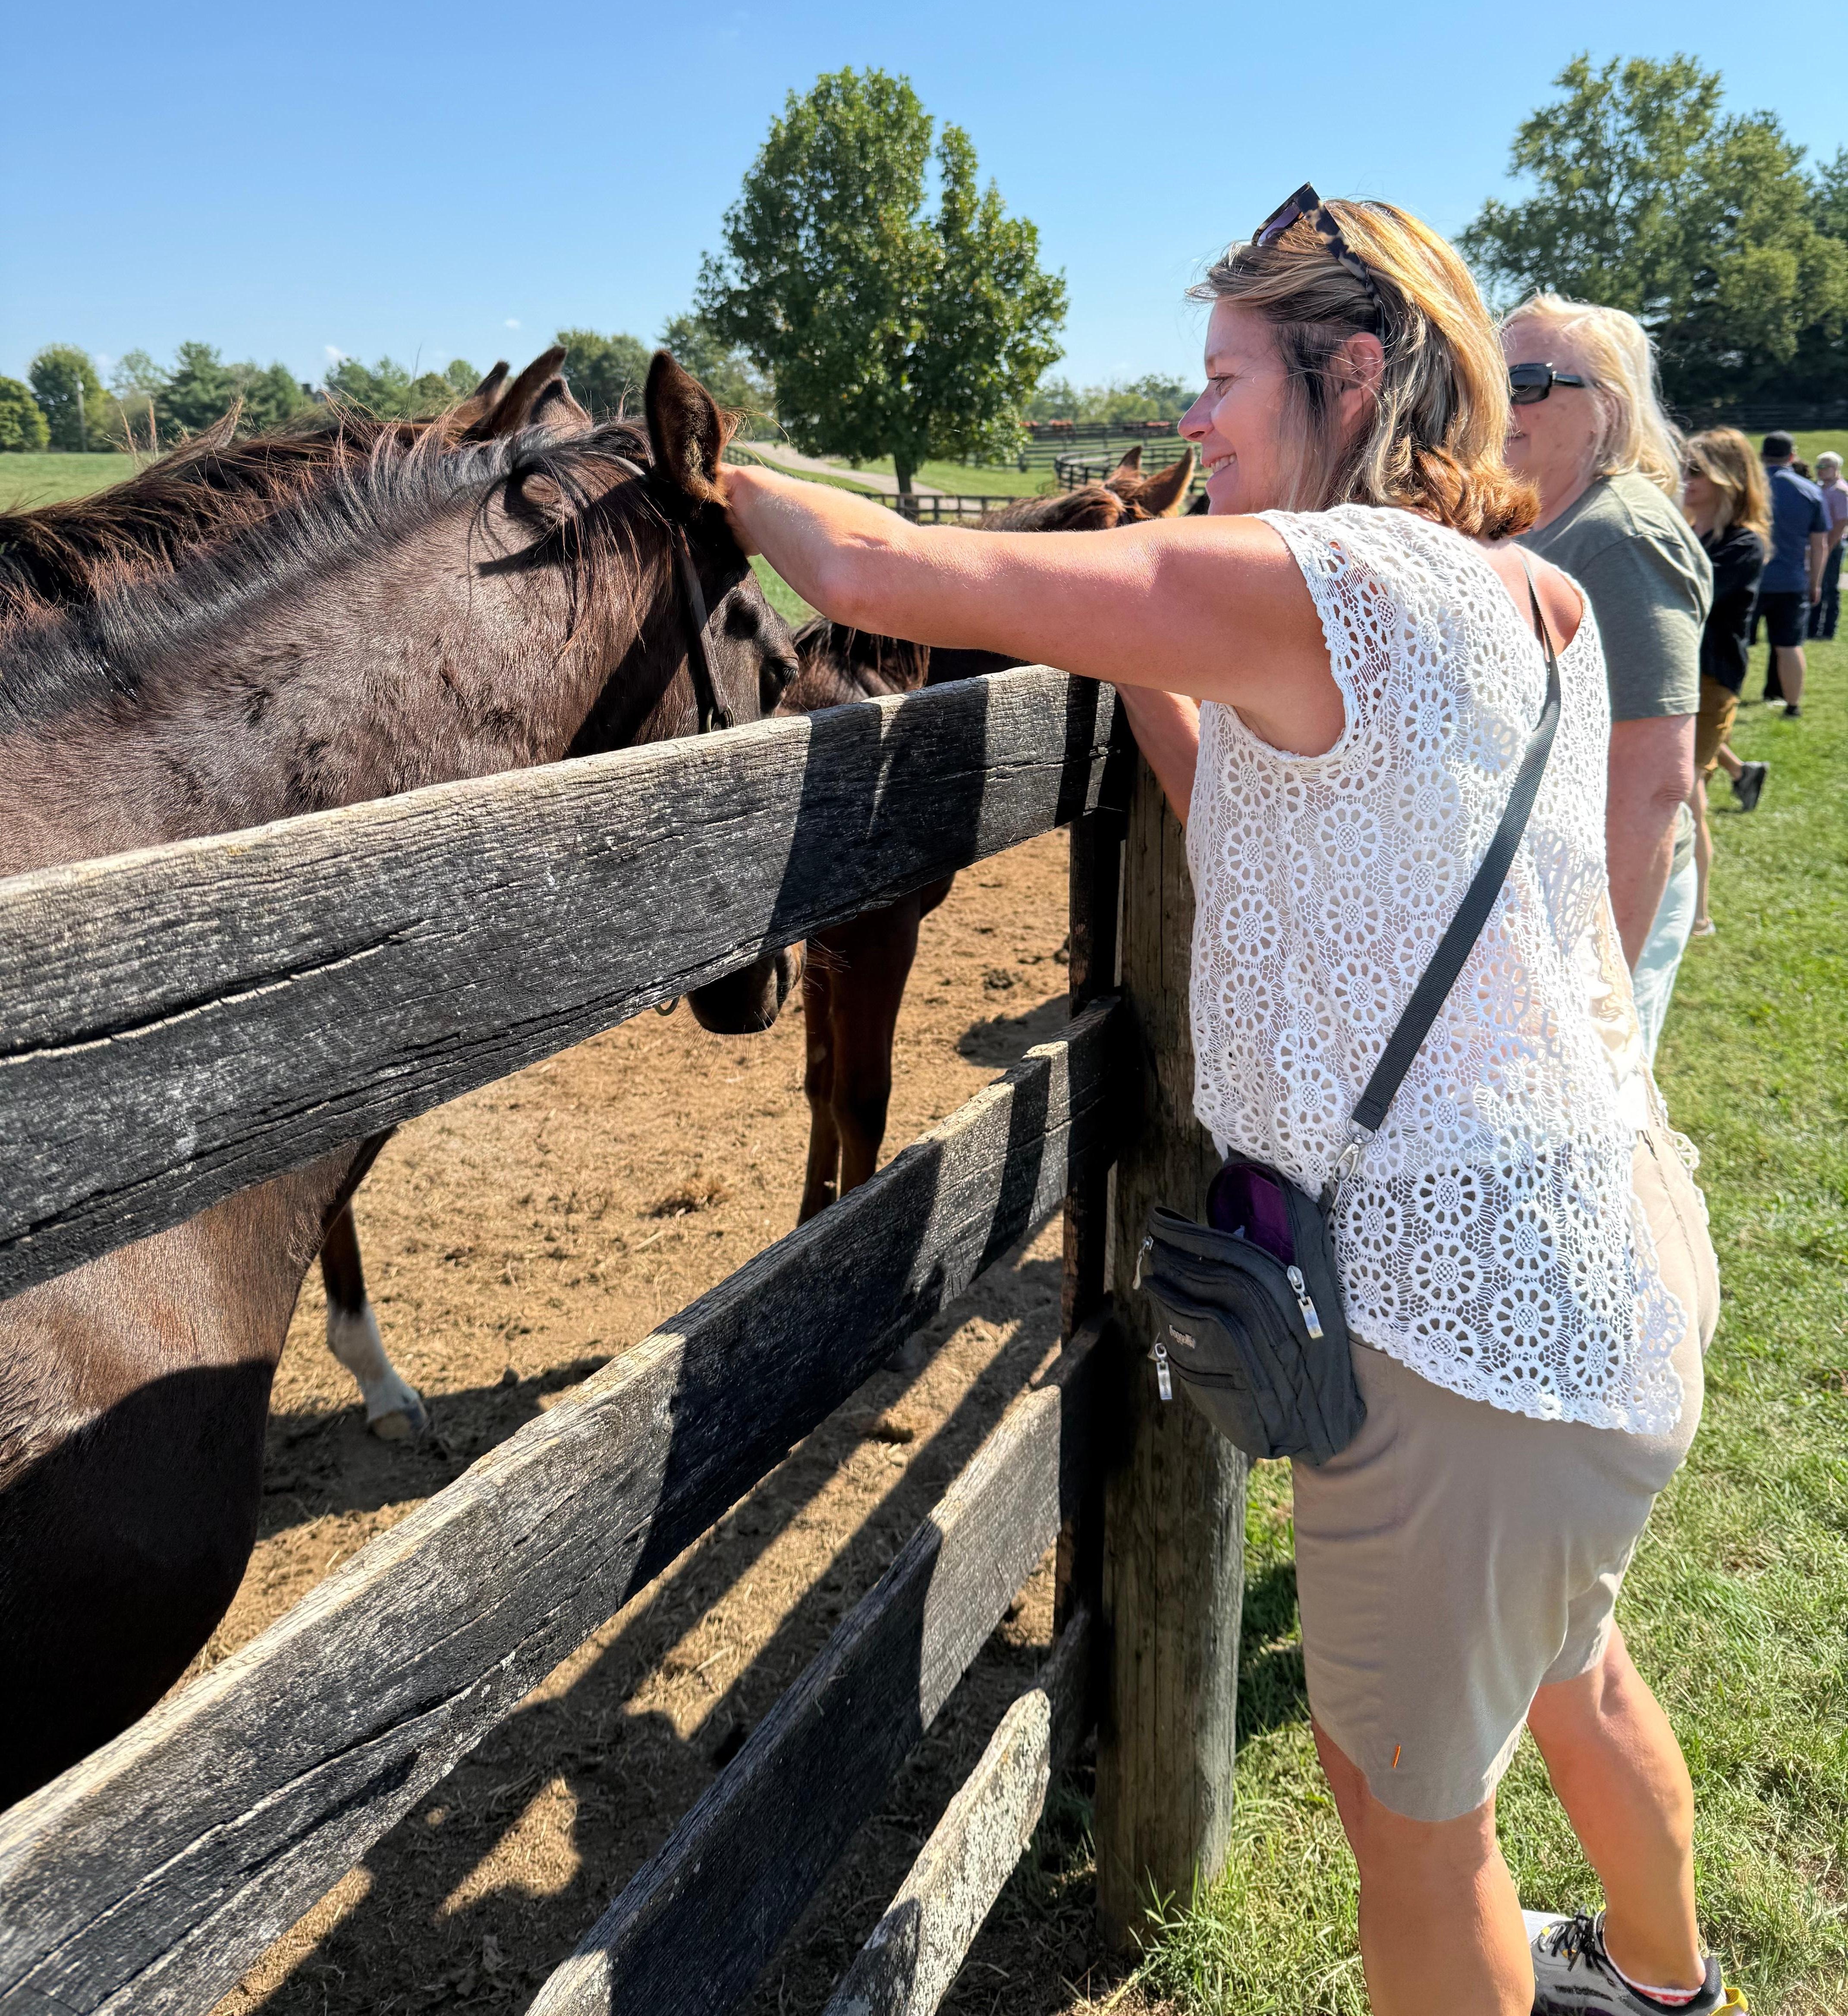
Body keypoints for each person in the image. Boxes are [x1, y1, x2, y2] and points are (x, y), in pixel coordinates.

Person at [722, 193, 1730, 2016]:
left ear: (1351, 374)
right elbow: (1268, 812)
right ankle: (1662, 1984)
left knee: (1408, 1816)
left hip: (1456, 1328)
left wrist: (695, 459)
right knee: (1567, 1660)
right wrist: (1150, 631)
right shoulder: (1548, 601)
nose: (1186, 418)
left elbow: (863, 572)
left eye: (1219, 378)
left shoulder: (1316, 585)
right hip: (1608, 1276)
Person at [1498, 296, 1710, 1060]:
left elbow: (1654, 781)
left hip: (1597, 905)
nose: (1498, 401)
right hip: (1543, 892)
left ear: (1604, 409)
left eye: (1525, 382)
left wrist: (1598, 990)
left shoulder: (1619, 537)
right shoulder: (1534, 521)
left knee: (1596, 1120)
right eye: (1491, 379)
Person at [1679, 432, 1769, 937]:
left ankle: (1700, 914)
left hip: (1712, 680)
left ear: (1727, 479)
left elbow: (1697, 594)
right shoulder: (1694, 532)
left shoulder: (1743, 544)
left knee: (1686, 791)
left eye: (1697, 472)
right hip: (1677, 675)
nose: (1686, 482)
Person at [1752, 432, 1827, 711]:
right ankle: (1793, 705)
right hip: (1792, 580)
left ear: (1762, 456)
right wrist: (1815, 582)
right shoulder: (1809, 490)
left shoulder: (1750, 487)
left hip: (1751, 579)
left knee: (1735, 644)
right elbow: (1819, 544)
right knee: (1789, 645)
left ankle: (1726, 703)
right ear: (1792, 456)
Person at [1810, 450, 1846, 640]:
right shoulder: (1818, 487)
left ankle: (1827, 630)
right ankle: (1812, 628)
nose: (1820, 471)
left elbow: (1841, 523)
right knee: (1816, 584)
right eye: (1819, 467)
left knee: (1829, 587)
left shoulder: (1840, 491)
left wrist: (1829, 547)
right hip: (1819, 544)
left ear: (1836, 469)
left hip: (1833, 545)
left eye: (1825, 467)